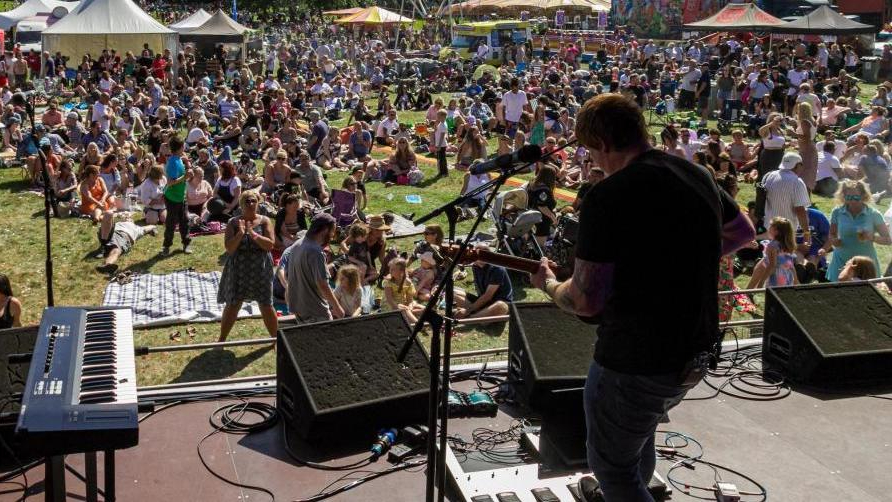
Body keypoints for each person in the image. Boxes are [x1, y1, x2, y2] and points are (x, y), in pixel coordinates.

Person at [530, 94, 754, 502]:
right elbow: (742, 232)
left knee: (613, 471)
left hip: (635, 358)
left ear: (601, 143)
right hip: (695, 351)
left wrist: (547, 284)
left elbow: (585, 300)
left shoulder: (608, 196)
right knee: (637, 437)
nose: (591, 159)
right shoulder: (696, 174)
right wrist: (680, 258)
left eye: (589, 149)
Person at [218, 191, 278, 342]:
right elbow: (229, 248)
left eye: (253, 201)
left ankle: (276, 340)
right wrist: (240, 234)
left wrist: (253, 234)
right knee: (233, 304)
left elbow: (270, 245)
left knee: (266, 305)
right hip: (239, 270)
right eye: (247, 202)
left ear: (258, 203)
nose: (250, 204)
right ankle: (222, 339)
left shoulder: (265, 221)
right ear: (241, 204)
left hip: (261, 269)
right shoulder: (233, 222)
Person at [821, 179, 892, 282]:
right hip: (841, 261)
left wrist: (871, 237)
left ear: (864, 196)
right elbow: (832, 234)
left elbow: (888, 240)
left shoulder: (873, 214)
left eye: (856, 197)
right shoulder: (837, 212)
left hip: (865, 265)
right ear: (843, 196)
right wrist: (834, 240)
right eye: (848, 197)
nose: (852, 201)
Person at [286, 213, 344, 323]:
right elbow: (322, 284)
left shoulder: (296, 245)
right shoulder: (315, 251)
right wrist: (337, 307)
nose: (332, 236)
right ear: (325, 230)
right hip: (315, 311)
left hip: (299, 308)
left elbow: (288, 276)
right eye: (332, 231)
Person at [454, 244, 514, 320]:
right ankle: (480, 315)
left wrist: (467, 311)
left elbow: (488, 296)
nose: (472, 256)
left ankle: (470, 318)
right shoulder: (476, 266)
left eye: (476, 254)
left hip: (497, 303)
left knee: (501, 306)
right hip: (483, 302)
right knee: (453, 292)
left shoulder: (497, 269)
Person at [162, 136, 192, 255]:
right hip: (172, 198)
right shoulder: (173, 162)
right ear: (180, 148)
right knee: (171, 223)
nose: (185, 147)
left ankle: (186, 243)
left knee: (185, 221)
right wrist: (185, 177)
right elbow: (170, 182)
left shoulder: (179, 159)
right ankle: (166, 246)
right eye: (183, 145)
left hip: (181, 196)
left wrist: (187, 164)